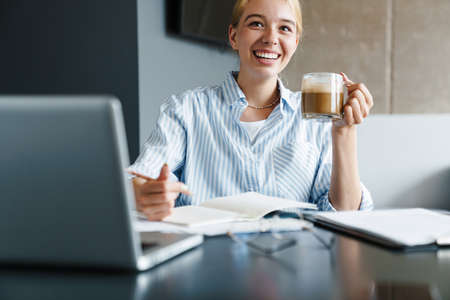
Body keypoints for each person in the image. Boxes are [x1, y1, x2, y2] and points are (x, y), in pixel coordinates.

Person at [128, 0, 374, 221]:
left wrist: (345, 132)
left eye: (285, 28)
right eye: (257, 24)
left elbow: (347, 214)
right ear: (234, 36)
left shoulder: (316, 118)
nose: (270, 38)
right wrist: (143, 193)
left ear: (295, 43)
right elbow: (139, 180)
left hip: (296, 262)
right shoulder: (186, 111)